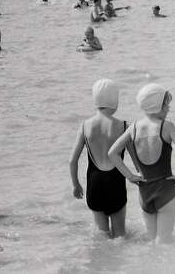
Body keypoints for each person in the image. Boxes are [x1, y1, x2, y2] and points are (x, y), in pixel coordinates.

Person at [109, 84, 175, 244]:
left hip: (144, 194)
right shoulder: (167, 127)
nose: (168, 108)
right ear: (157, 105)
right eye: (166, 104)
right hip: (165, 193)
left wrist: (130, 176)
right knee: (164, 244)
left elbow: (112, 153)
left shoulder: (132, 128)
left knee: (152, 242)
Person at [69, 79, 128, 238]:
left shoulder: (85, 126)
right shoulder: (123, 126)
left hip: (95, 185)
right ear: (115, 101)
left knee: (101, 234)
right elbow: (136, 158)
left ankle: (101, 260)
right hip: (116, 184)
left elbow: (72, 161)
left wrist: (76, 185)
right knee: (120, 235)